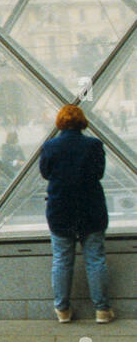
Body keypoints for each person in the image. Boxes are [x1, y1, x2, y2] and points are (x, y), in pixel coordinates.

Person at [40, 105, 114, 323]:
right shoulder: (94, 145)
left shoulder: (50, 146)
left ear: (60, 122)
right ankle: (102, 310)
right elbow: (99, 173)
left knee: (62, 260)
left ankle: (62, 310)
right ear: (82, 122)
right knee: (95, 259)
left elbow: (45, 173)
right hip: (91, 209)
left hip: (61, 210)